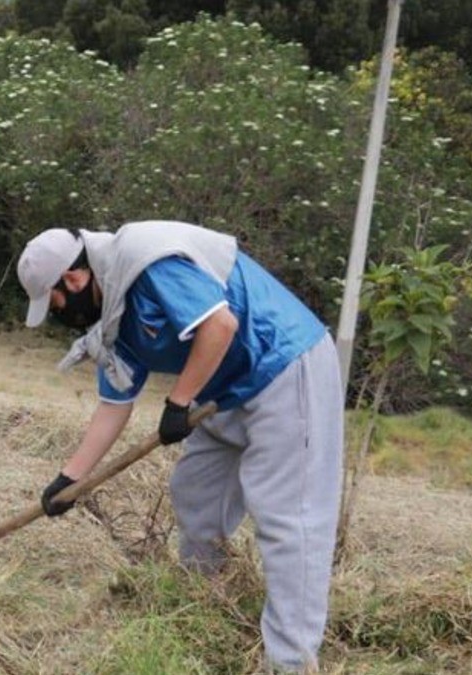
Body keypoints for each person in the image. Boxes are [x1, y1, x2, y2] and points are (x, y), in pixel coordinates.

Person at [18, 221, 343, 673]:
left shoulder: (148, 260)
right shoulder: (113, 313)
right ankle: (203, 607)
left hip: (283, 363)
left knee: (289, 520)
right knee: (196, 494)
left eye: (53, 301)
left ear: (74, 280)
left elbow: (220, 324)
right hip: (225, 387)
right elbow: (114, 405)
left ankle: (291, 662)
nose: (56, 312)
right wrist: (70, 480)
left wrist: (178, 402)